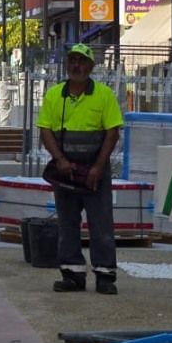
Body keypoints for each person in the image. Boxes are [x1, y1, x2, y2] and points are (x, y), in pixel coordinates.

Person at [37, 42, 124, 294]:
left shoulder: (104, 95)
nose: (76, 65)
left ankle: (105, 275)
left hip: (95, 172)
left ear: (90, 66)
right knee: (67, 223)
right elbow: (45, 130)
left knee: (101, 223)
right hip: (66, 172)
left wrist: (98, 166)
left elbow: (112, 132)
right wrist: (60, 160)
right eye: (72, 60)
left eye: (82, 61)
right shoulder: (54, 95)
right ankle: (72, 274)